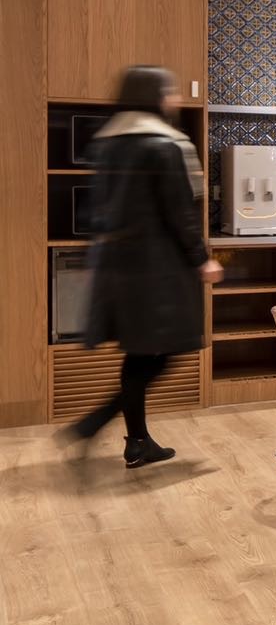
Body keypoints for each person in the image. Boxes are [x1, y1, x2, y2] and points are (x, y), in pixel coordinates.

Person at [68, 65, 224, 467]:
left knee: (140, 352)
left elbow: (95, 207)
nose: (175, 98)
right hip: (159, 268)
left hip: (118, 264)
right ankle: (97, 421)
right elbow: (179, 212)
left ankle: (137, 441)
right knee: (170, 350)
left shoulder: (107, 143)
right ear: (154, 96)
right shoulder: (163, 145)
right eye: (169, 91)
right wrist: (202, 258)